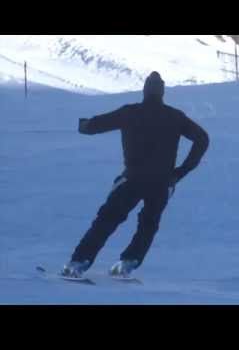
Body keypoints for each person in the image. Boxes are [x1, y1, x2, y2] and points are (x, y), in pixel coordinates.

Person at [61, 71, 209, 278]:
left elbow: (96, 126)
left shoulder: (130, 112)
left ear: (145, 90)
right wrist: (180, 172)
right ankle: (129, 263)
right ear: (162, 93)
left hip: (132, 179)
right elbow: (203, 139)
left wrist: (83, 125)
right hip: (162, 183)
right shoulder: (175, 116)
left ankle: (78, 263)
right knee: (148, 224)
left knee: (107, 220)